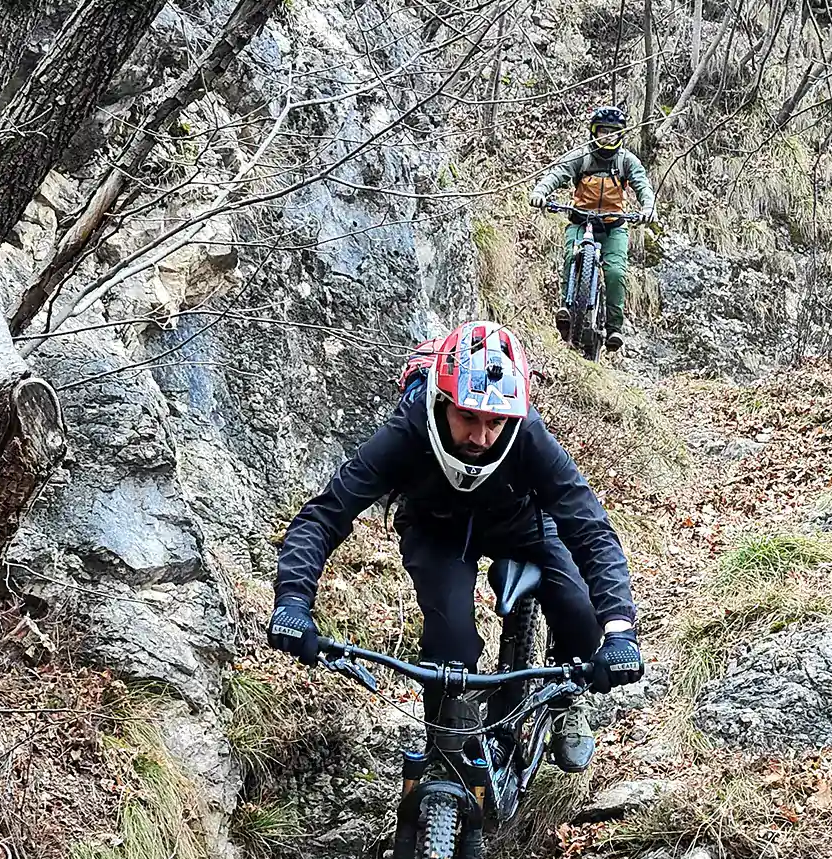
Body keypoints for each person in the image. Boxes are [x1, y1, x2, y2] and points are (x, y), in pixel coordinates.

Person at [266, 321, 643, 772]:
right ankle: (445, 758)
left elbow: (590, 528)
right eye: (468, 417)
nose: (483, 438)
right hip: (436, 528)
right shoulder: (408, 432)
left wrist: (619, 631)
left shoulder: (527, 435)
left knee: (581, 614)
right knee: (450, 648)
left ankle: (567, 703)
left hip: (521, 523)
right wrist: (292, 601)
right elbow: (326, 513)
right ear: (441, 403)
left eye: (495, 422)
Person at [527, 104, 657, 352]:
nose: (607, 137)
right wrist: (540, 192)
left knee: (616, 272)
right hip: (580, 220)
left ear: (621, 134)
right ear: (594, 132)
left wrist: (648, 207)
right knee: (570, 255)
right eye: (603, 131)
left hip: (613, 226)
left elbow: (642, 184)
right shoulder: (582, 156)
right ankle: (567, 307)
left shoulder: (626, 161)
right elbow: (558, 173)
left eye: (613, 132)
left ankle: (614, 328)